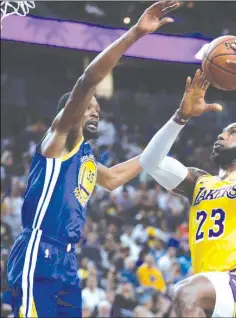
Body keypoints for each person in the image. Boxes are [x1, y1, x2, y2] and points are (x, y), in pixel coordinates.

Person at [6, 2, 180, 317]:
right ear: (70, 113)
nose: (95, 111)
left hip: (68, 260)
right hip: (40, 249)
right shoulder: (59, 140)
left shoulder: (85, 157)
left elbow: (114, 179)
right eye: (89, 108)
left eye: (98, 109)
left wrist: (178, 120)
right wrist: (136, 34)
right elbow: (87, 81)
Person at [139, 39, 236, 317]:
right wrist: (180, 117)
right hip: (214, 291)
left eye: (232, 132)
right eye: (222, 132)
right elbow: (149, 161)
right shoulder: (199, 183)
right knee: (187, 295)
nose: (222, 135)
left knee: (185, 292)